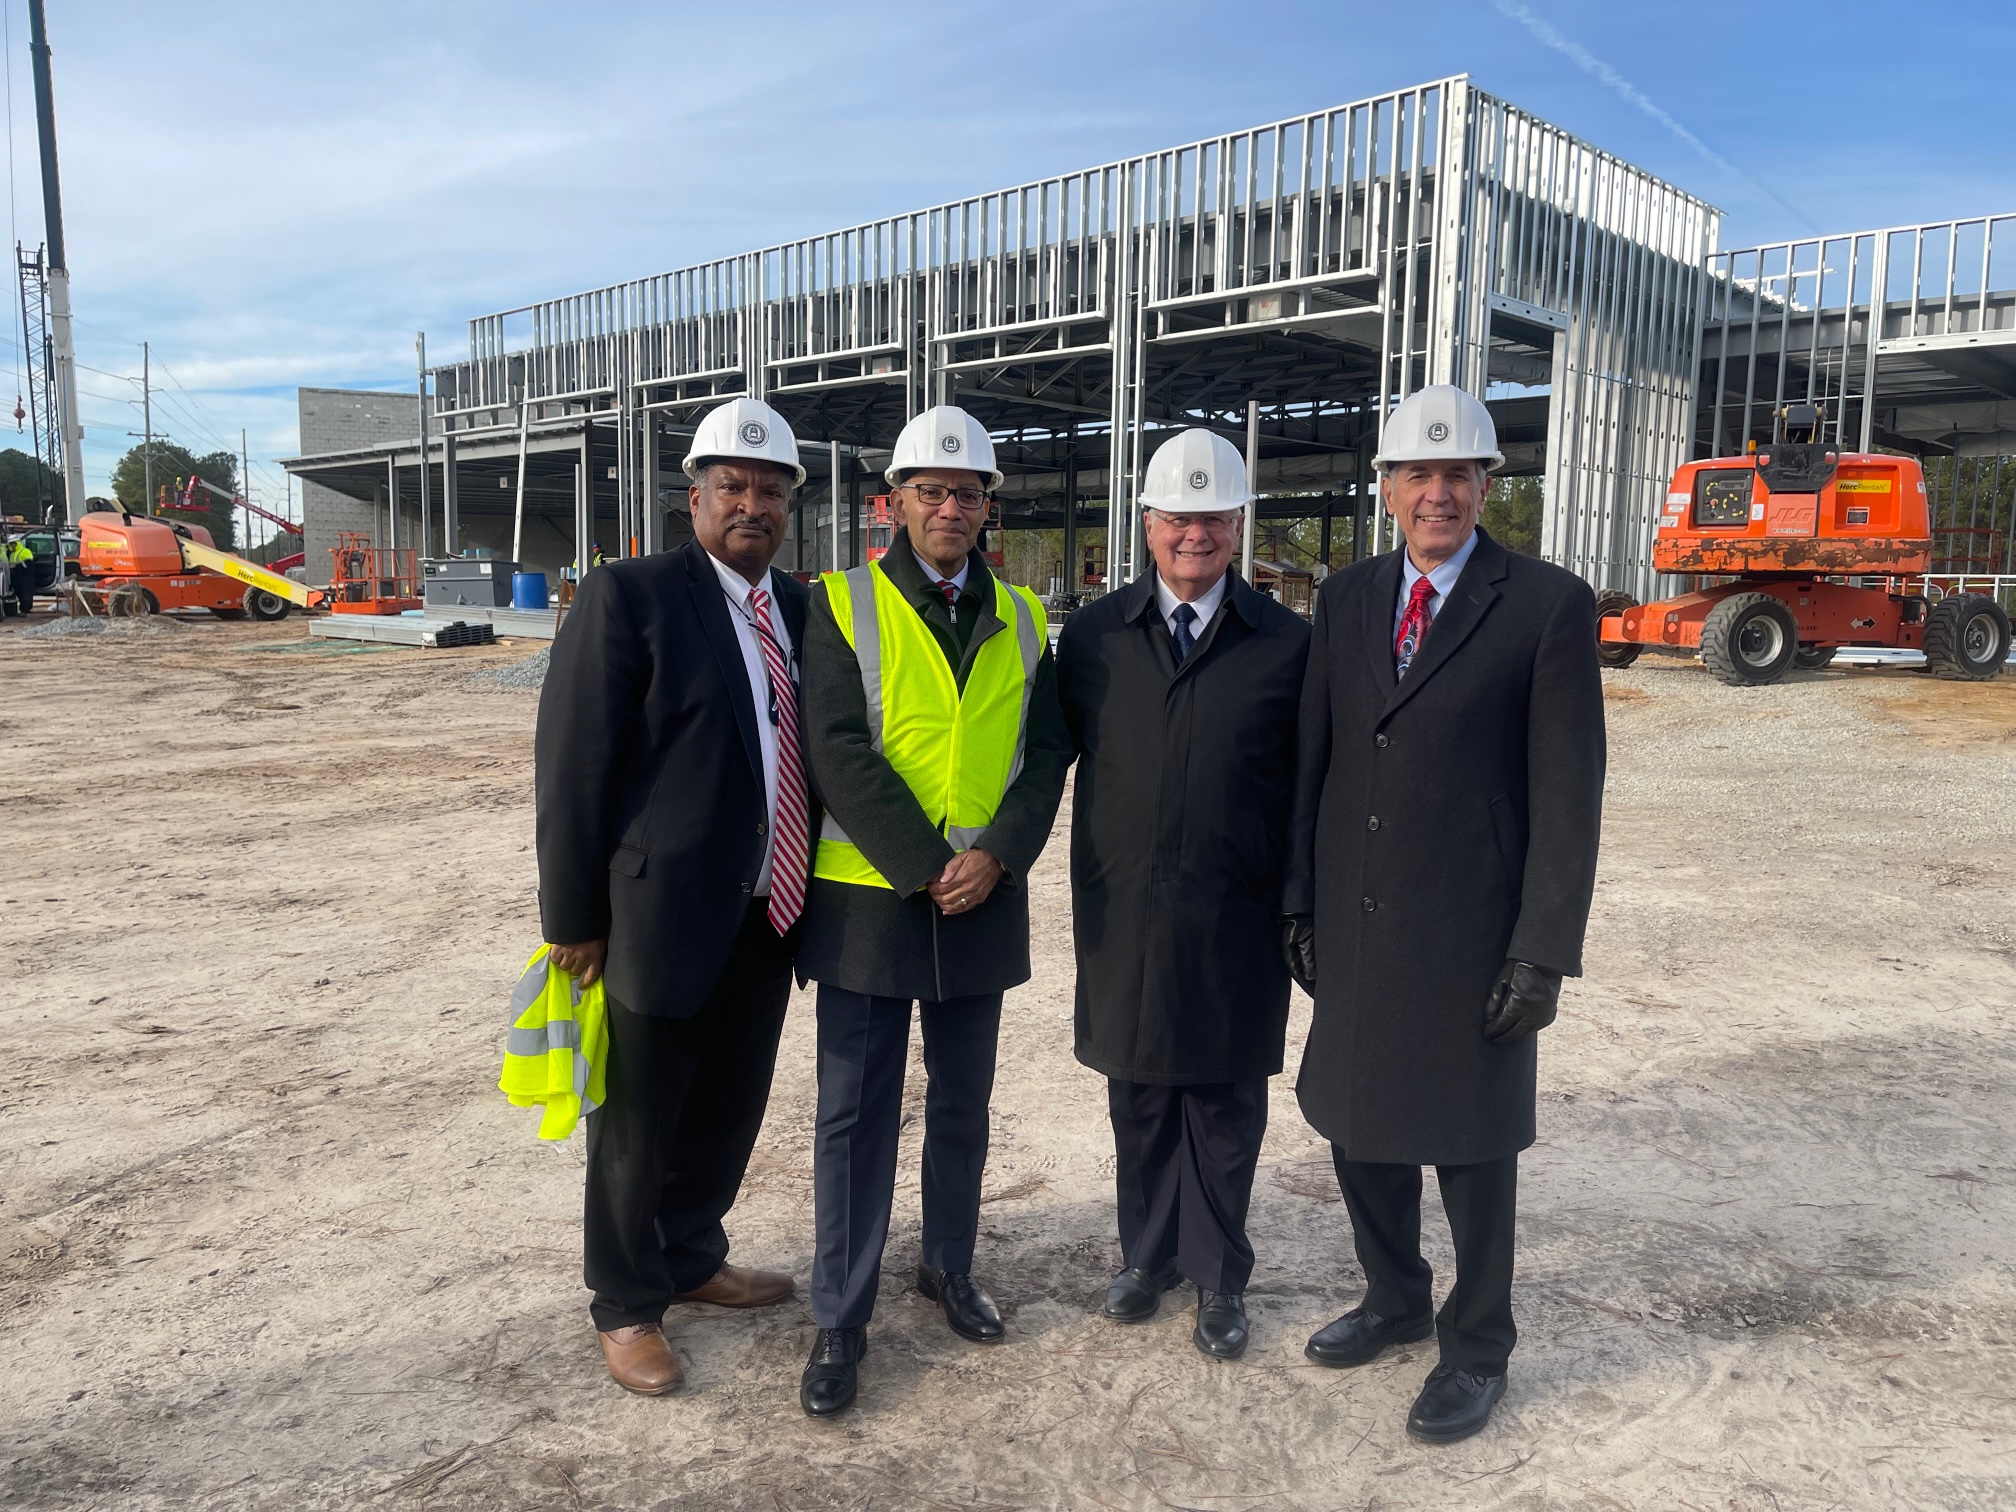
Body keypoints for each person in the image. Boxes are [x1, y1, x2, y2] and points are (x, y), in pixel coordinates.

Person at [1282, 384, 1605, 1444]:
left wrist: (1543, 949)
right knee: (1361, 1129)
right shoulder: (1345, 598)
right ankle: (1393, 1298)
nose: (1438, 493)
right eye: (1417, 474)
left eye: (1457, 474)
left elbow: (1568, 792)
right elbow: (1316, 762)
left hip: (1474, 936)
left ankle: (1477, 1346)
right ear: (1385, 488)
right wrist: (1300, 898)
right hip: (1359, 922)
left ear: (1486, 486)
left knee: (1471, 1148)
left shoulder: (1547, 605)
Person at [534, 396, 815, 1396]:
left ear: (790, 506)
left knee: (729, 1107)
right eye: (732, 486)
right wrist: (573, 918)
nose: (751, 504)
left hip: (770, 912)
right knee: (639, 1123)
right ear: (692, 497)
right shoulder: (631, 596)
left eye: (770, 490)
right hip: (658, 916)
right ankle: (625, 1303)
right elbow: (574, 765)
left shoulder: (806, 608)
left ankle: (691, 1256)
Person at [795, 404, 1072, 1417]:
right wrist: (925, 863)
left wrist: (998, 853)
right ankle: (841, 1315)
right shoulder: (840, 603)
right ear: (894, 503)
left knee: (963, 1107)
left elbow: (1045, 755)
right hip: (874, 902)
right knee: (855, 1118)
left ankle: (948, 1266)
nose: (950, 507)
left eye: (967, 492)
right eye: (931, 491)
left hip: (984, 903)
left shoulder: (1031, 615)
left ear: (987, 506)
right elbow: (837, 750)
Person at [1055, 428, 1309, 1361]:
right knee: (1142, 1094)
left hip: (1237, 911)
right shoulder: (1094, 638)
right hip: (1124, 909)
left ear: (1237, 526)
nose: (1192, 536)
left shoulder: (1286, 644)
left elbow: (1312, 785)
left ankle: (1218, 1277)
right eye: (1176, 519)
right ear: (1147, 524)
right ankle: (1145, 1257)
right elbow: (1048, 759)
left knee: (1226, 1103)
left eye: (1211, 519)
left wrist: (1300, 903)